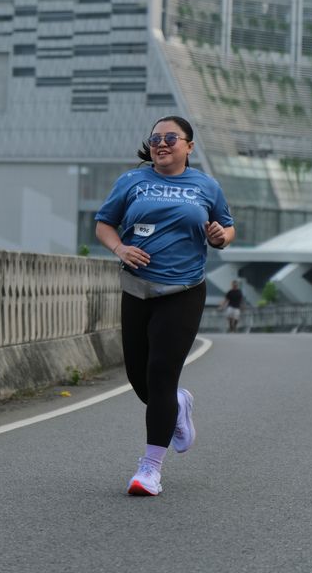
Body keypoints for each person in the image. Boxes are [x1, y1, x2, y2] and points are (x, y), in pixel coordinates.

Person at [95, 115, 235, 496]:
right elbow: (104, 224)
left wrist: (220, 237)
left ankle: (150, 469)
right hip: (136, 289)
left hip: (183, 290)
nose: (161, 143)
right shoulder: (132, 181)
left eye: (171, 138)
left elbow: (227, 227)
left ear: (189, 146)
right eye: (156, 138)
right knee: (138, 376)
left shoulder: (206, 185)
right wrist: (120, 248)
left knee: (160, 372)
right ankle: (177, 404)